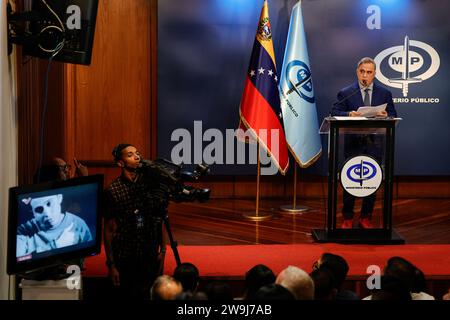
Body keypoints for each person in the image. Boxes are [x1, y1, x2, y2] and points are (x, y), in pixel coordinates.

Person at [330, 57, 397, 229]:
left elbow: (393, 113)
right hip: (353, 143)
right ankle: (347, 217)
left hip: (375, 143)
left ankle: (366, 217)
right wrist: (349, 115)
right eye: (362, 71)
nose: (365, 75)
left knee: (372, 180)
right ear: (357, 72)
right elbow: (335, 111)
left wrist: (385, 116)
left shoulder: (384, 93)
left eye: (369, 72)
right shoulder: (346, 92)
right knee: (349, 180)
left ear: (375, 74)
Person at [103, 143, 166, 300]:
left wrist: (163, 250)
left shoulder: (150, 185)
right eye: (130, 154)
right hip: (125, 255)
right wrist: (111, 265)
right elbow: (109, 229)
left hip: (150, 252)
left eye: (137, 153)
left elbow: (161, 218)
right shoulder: (113, 190)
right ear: (120, 163)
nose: (137, 157)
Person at [17, 194, 93, 256]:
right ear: (33, 213)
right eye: (39, 209)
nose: (47, 214)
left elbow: (89, 253)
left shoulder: (78, 224)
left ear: (59, 198)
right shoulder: (24, 230)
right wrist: (56, 245)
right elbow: (17, 257)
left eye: (49, 204)